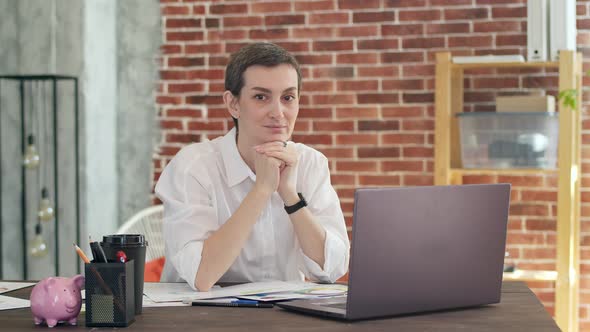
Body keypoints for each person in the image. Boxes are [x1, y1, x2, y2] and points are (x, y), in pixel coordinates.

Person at [155, 42, 350, 291]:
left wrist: (290, 194)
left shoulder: (311, 163)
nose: (278, 112)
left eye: (288, 97)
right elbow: (202, 276)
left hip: (281, 315)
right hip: (199, 317)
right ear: (233, 104)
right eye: (261, 97)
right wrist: (261, 190)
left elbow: (332, 269)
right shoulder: (193, 166)